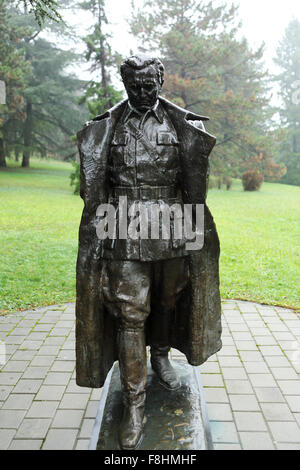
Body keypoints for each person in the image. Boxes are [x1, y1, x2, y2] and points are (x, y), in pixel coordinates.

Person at [75, 54, 222, 450]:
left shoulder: (180, 122)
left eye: (148, 84)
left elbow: (193, 184)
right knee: (129, 310)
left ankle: (160, 357)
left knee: (168, 299)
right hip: (121, 220)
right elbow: (97, 187)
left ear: (160, 80)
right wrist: (99, 236)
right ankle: (135, 404)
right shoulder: (108, 125)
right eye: (134, 85)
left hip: (173, 222)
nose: (142, 91)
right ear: (125, 84)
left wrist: (195, 232)